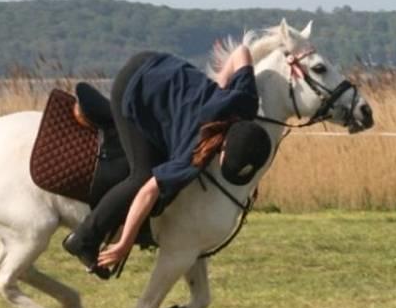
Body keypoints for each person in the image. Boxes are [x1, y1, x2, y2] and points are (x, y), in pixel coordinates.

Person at [63, 45, 271, 278]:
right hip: (132, 86)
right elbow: (147, 191)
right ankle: (83, 238)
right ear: (222, 147)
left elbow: (241, 51)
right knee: (140, 176)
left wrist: (220, 89)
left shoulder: (246, 100)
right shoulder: (195, 151)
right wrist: (124, 244)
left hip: (157, 61)